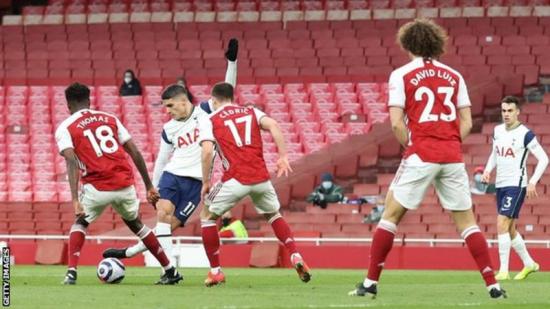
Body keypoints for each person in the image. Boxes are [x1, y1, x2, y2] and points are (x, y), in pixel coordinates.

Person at [348, 19, 505, 299]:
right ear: (437, 43)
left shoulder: (401, 75)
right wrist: (450, 141)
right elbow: (466, 120)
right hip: (452, 156)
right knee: (467, 222)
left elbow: (397, 124)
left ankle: (370, 283)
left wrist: (414, 145)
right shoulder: (454, 76)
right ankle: (493, 286)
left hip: (421, 153)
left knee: (390, 215)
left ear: (407, 44)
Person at [103, 39, 240, 262]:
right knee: (163, 215)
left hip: (196, 183)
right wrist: (153, 187)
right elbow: (162, 159)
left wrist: (232, 63)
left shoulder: (206, 112)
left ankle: (128, 253)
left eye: (170, 106)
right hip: (172, 176)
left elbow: (227, 93)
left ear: (183, 101)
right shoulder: (168, 129)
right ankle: (168, 270)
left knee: (169, 227)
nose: (167, 111)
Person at [55, 83, 181, 285]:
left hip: (96, 187)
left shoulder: (65, 127)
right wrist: (149, 185)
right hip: (124, 184)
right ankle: (170, 270)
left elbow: (70, 160)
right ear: (89, 101)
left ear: (68, 105)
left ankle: (71, 272)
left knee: (81, 223)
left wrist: (75, 200)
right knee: (137, 225)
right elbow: (134, 151)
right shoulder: (109, 119)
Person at [198, 82, 312, 287]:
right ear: (232, 98)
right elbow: (274, 126)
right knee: (273, 215)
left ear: (214, 101)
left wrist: (206, 181)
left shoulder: (210, 119)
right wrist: (283, 157)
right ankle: (294, 254)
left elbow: (207, 151)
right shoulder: (251, 111)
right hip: (261, 177)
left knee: (207, 217)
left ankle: (216, 271)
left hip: (235, 177)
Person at [482, 95, 549, 281]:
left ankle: (503, 270)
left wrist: (533, 181)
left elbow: (544, 159)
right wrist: (488, 171)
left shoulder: (525, 134)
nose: (506, 114)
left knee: (501, 222)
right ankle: (529, 264)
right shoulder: (497, 131)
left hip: (516, 185)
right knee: (510, 229)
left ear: (518, 112)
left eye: (510, 111)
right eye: (503, 110)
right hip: (501, 185)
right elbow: (494, 154)